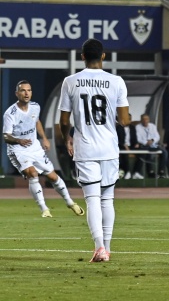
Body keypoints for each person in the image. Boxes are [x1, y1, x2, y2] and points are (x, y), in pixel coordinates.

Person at [58, 39, 130, 262]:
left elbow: (63, 120)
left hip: (85, 147)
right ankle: (106, 249)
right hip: (109, 147)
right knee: (107, 199)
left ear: (82, 57)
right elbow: (125, 120)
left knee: (92, 199)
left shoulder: (70, 82)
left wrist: (67, 138)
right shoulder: (116, 81)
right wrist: (123, 118)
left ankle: (99, 247)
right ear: (103, 56)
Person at [3, 81, 85, 218]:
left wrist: (44, 138)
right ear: (17, 94)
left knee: (53, 176)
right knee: (33, 174)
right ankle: (44, 209)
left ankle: (70, 202)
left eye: (29, 90)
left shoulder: (35, 107)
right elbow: (6, 136)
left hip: (35, 147)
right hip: (18, 149)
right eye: (23, 90)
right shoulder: (10, 113)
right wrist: (18, 140)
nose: (26, 93)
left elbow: (37, 122)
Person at [135, 114, 169, 178]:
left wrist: (152, 140)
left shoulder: (152, 126)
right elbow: (138, 138)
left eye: (147, 119)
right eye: (144, 119)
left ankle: (161, 172)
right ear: (141, 120)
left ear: (149, 120)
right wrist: (146, 142)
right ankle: (151, 172)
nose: (145, 121)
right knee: (148, 153)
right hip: (144, 145)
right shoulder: (138, 127)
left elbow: (157, 136)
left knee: (164, 152)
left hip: (153, 144)